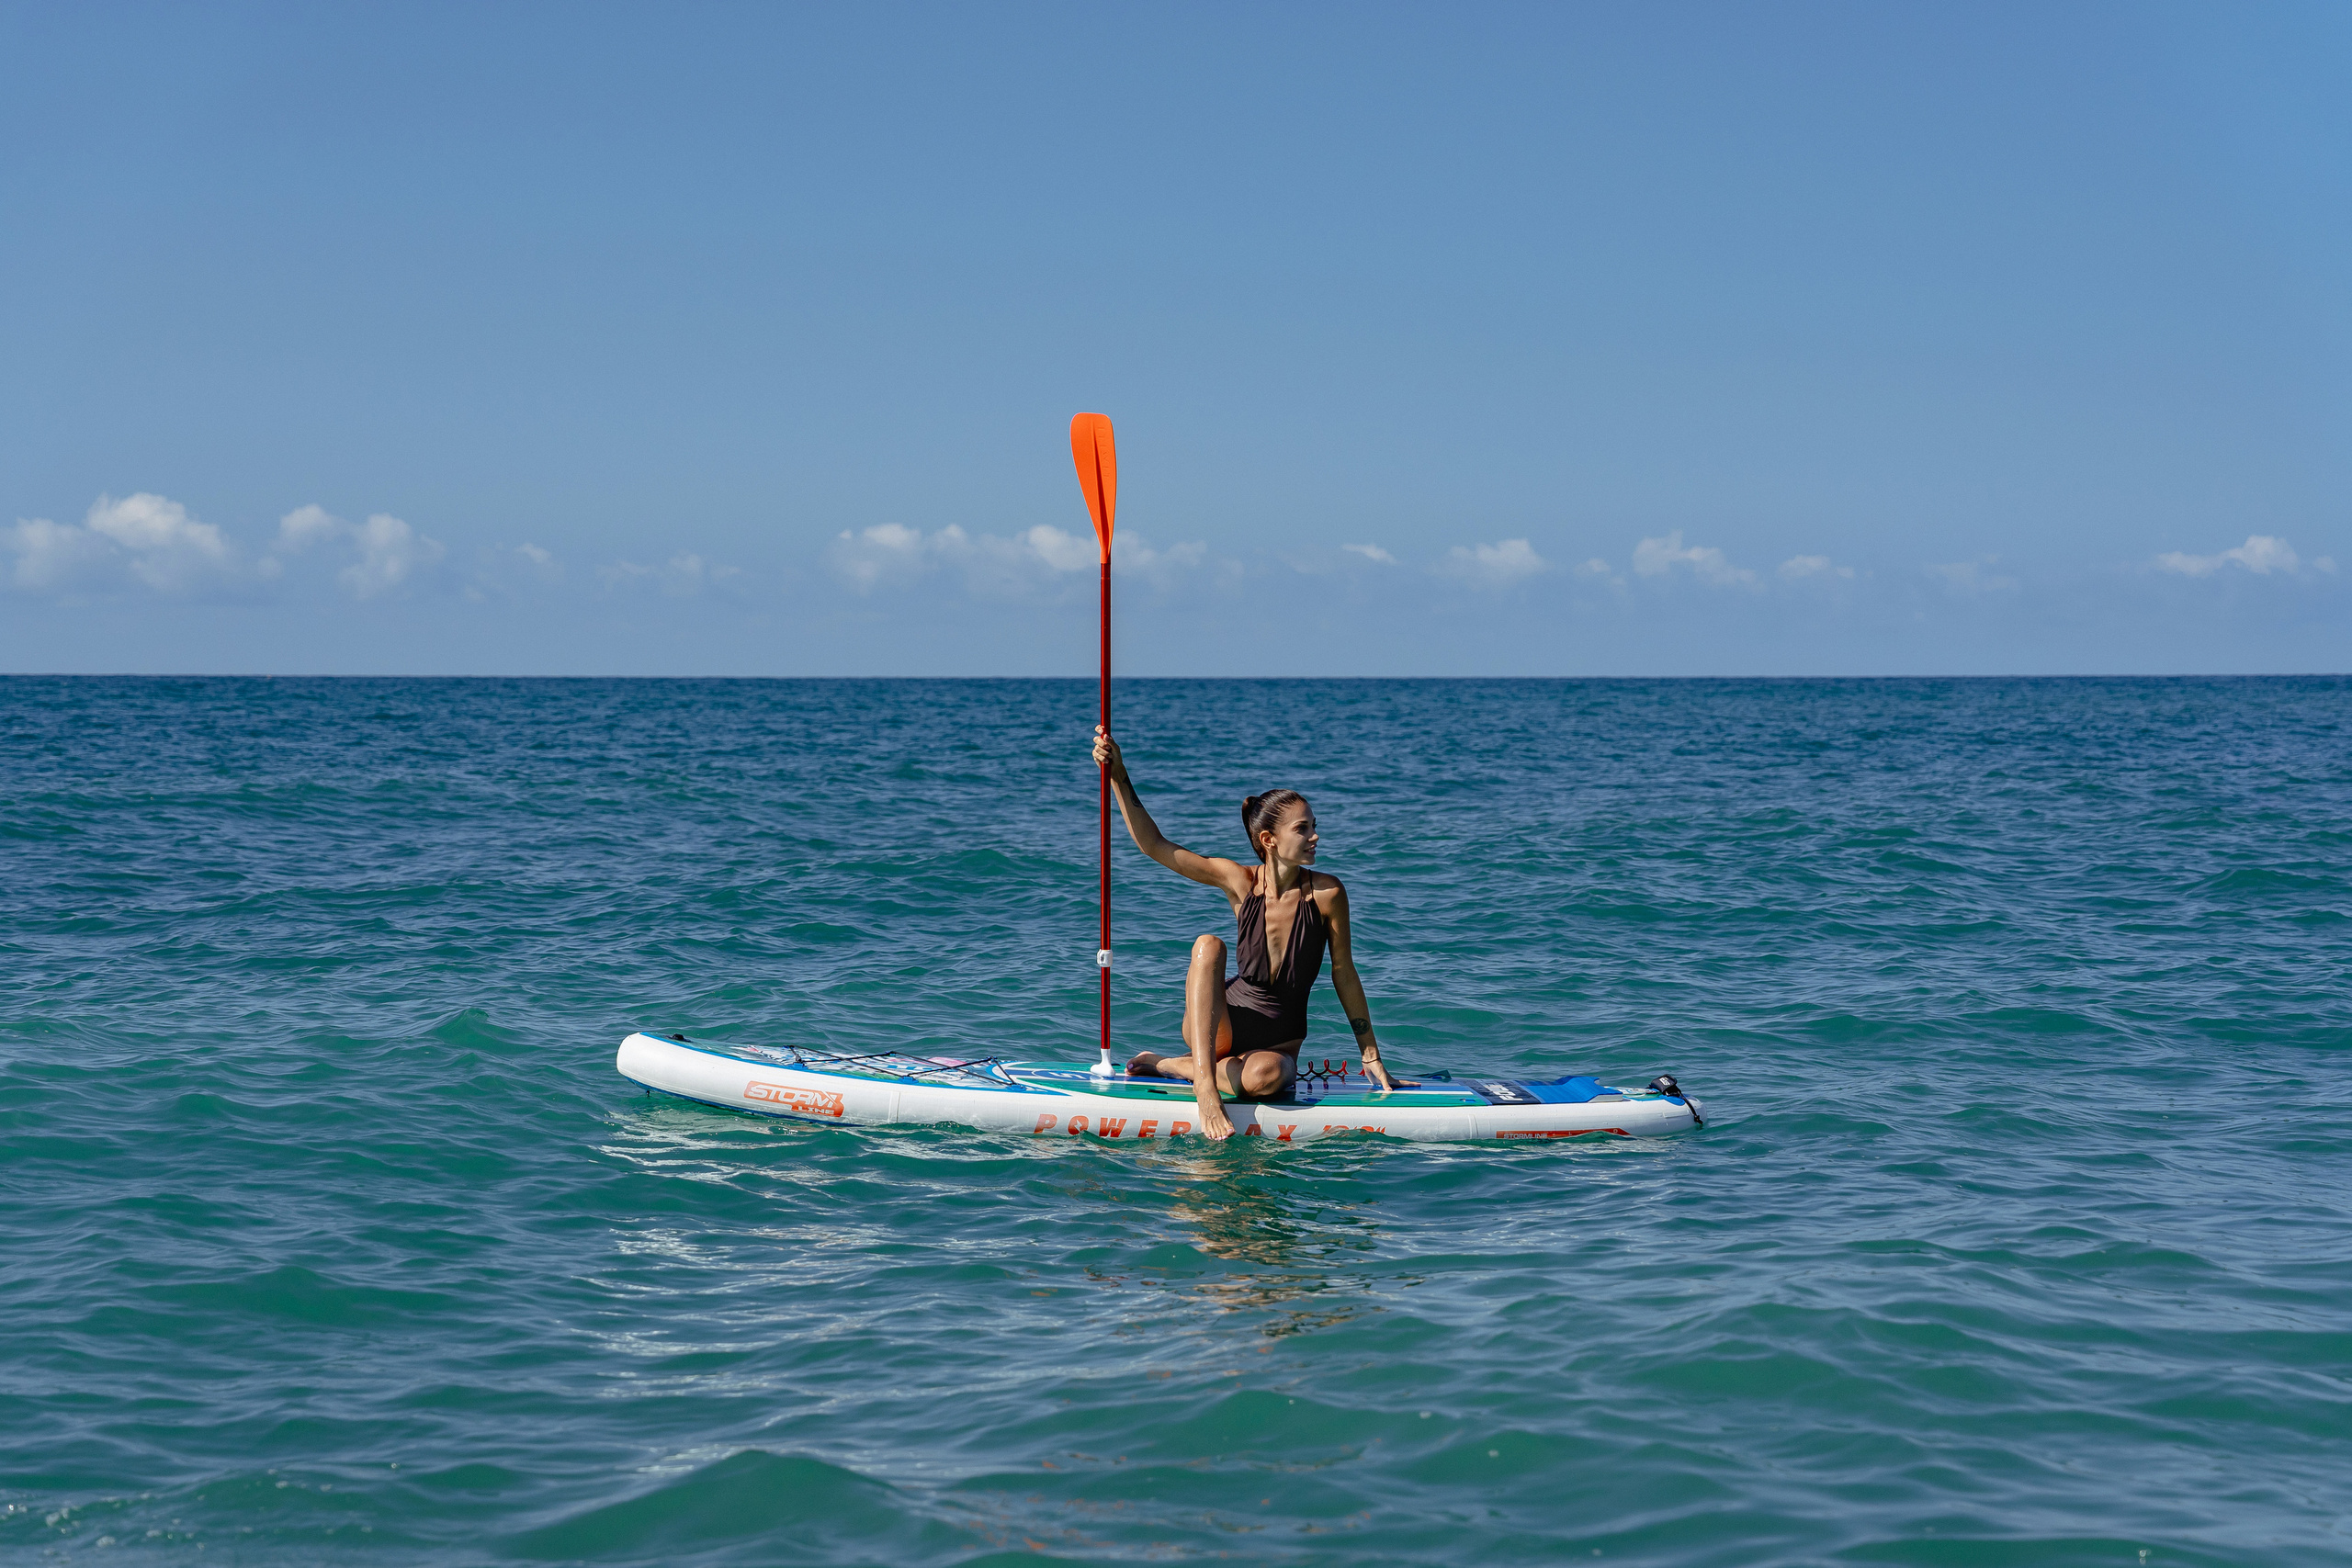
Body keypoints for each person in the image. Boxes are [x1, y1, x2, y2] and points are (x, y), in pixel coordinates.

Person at [1091, 726, 1412, 1140]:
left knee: (1267, 1077)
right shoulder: (1239, 881)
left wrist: (1370, 1054)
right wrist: (1120, 776)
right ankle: (1205, 1085)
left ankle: (1173, 1064)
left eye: (1314, 825)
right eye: (1302, 829)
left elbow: (1344, 972)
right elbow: (1155, 845)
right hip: (1219, 1023)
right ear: (1269, 840)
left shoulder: (1328, 893)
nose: (1315, 836)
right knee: (1208, 945)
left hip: (1277, 1044)